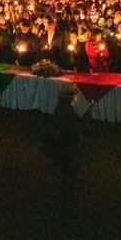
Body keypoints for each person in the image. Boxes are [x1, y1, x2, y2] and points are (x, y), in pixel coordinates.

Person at [42, 85, 81, 223]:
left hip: (64, 152)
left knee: (66, 183)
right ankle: (65, 213)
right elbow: (71, 132)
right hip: (68, 152)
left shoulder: (59, 110)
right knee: (68, 184)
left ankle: (64, 209)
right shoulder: (66, 112)